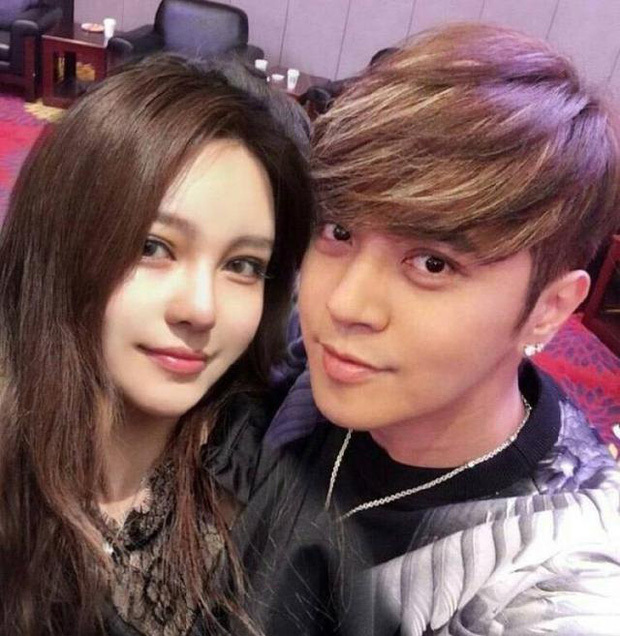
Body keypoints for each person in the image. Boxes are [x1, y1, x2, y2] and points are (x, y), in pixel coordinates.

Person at [264, 23, 620, 635]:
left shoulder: (555, 583)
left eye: (432, 263)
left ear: (549, 309)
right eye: (340, 232)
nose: (345, 304)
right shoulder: (301, 359)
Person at [0, 54, 313, 636]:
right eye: (153, 247)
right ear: (62, 242)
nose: (201, 309)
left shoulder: (266, 484)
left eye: (243, 265)